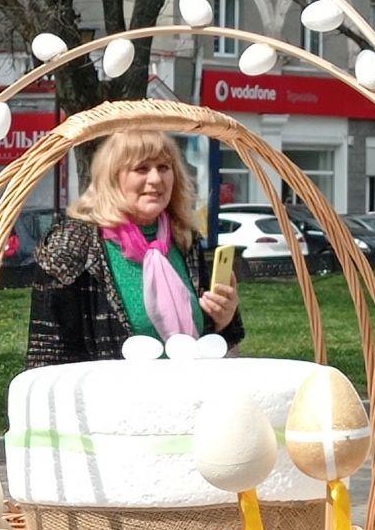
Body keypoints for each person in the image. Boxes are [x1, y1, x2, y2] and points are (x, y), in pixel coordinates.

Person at [26, 130, 243, 367]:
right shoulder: (71, 246)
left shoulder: (184, 240)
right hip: (109, 401)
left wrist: (224, 319)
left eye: (163, 167)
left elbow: (213, 344)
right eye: (141, 169)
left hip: (189, 396)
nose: (156, 179)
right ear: (112, 178)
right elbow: (47, 358)